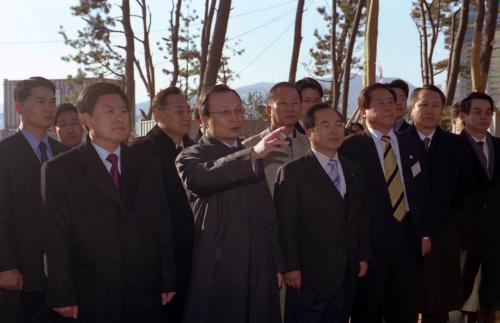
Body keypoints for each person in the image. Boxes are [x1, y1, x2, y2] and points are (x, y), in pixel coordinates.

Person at [42, 82, 176, 322]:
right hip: (91, 291)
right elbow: (56, 236)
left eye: (123, 111)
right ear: (86, 118)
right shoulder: (60, 170)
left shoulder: (146, 163)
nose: (119, 118)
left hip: (145, 287)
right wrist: (62, 294)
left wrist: (168, 277)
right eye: (109, 111)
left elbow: (161, 222)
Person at [176, 84, 285, 323]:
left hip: (260, 265)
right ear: (203, 119)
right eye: (225, 112)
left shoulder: (252, 154)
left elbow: (267, 214)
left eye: (238, 110)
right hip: (219, 265)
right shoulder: (190, 156)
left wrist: (276, 262)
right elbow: (201, 178)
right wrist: (251, 155)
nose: (235, 118)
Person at [340, 83, 432, 323]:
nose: (389, 107)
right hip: (369, 244)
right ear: (363, 110)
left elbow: (422, 193)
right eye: (380, 103)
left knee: (404, 308)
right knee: (367, 309)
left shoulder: (411, 144)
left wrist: (424, 234)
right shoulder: (350, 148)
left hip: (407, 240)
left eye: (391, 102)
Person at [274, 103, 369, 323]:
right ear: (308, 132)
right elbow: (286, 224)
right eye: (325, 125)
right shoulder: (292, 172)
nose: (335, 130)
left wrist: (363, 255)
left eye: (338, 124)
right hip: (308, 275)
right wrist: (291, 267)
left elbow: (361, 216)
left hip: (346, 272)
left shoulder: (354, 169)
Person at [0, 77, 67, 323]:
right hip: (19, 274)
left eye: (52, 101)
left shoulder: (64, 153)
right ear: (19, 107)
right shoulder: (4, 154)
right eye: (40, 101)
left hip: (61, 276)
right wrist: (5, 265)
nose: (49, 108)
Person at [405, 85, 474, 323]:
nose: (430, 111)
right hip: (405, 234)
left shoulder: (457, 145)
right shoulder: (397, 143)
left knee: (438, 302)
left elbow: (466, 191)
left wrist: (439, 227)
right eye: (424, 105)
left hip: (444, 234)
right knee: (403, 300)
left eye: (436, 106)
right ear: (411, 109)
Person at [133, 86, 194, 323]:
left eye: (188, 110)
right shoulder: (141, 152)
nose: (186, 116)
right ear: (158, 114)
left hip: (193, 256)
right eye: (179, 111)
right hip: (158, 260)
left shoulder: (195, 150)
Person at [458, 92, 500, 323]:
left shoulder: (498, 146)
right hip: (463, 235)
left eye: (488, 113)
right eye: (477, 111)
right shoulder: (451, 147)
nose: (483, 117)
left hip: (495, 233)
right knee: (462, 296)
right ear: (464, 115)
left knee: (491, 296)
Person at [243, 82, 310, 193]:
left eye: (295, 103)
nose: (290, 108)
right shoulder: (250, 147)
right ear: (269, 110)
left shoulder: (311, 144)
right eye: (283, 103)